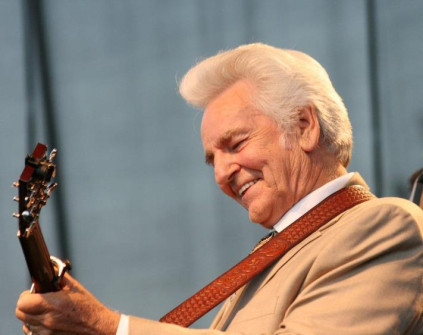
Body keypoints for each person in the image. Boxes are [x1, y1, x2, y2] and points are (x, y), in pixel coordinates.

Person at [16, 43, 423, 335]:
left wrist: (108, 327)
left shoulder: (388, 227)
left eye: (236, 144)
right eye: (213, 159)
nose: (223, 172)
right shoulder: (272, 258)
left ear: (304, 126)